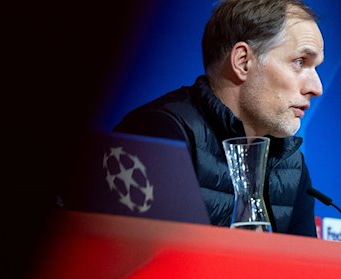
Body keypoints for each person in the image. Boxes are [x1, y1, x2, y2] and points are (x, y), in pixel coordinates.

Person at [113, 0, 325, 237]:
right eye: (300, 62)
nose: (317, 88)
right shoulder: (159, 134)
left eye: (316, 68)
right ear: (243, 62)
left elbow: (299, 271)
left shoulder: (291, 166)